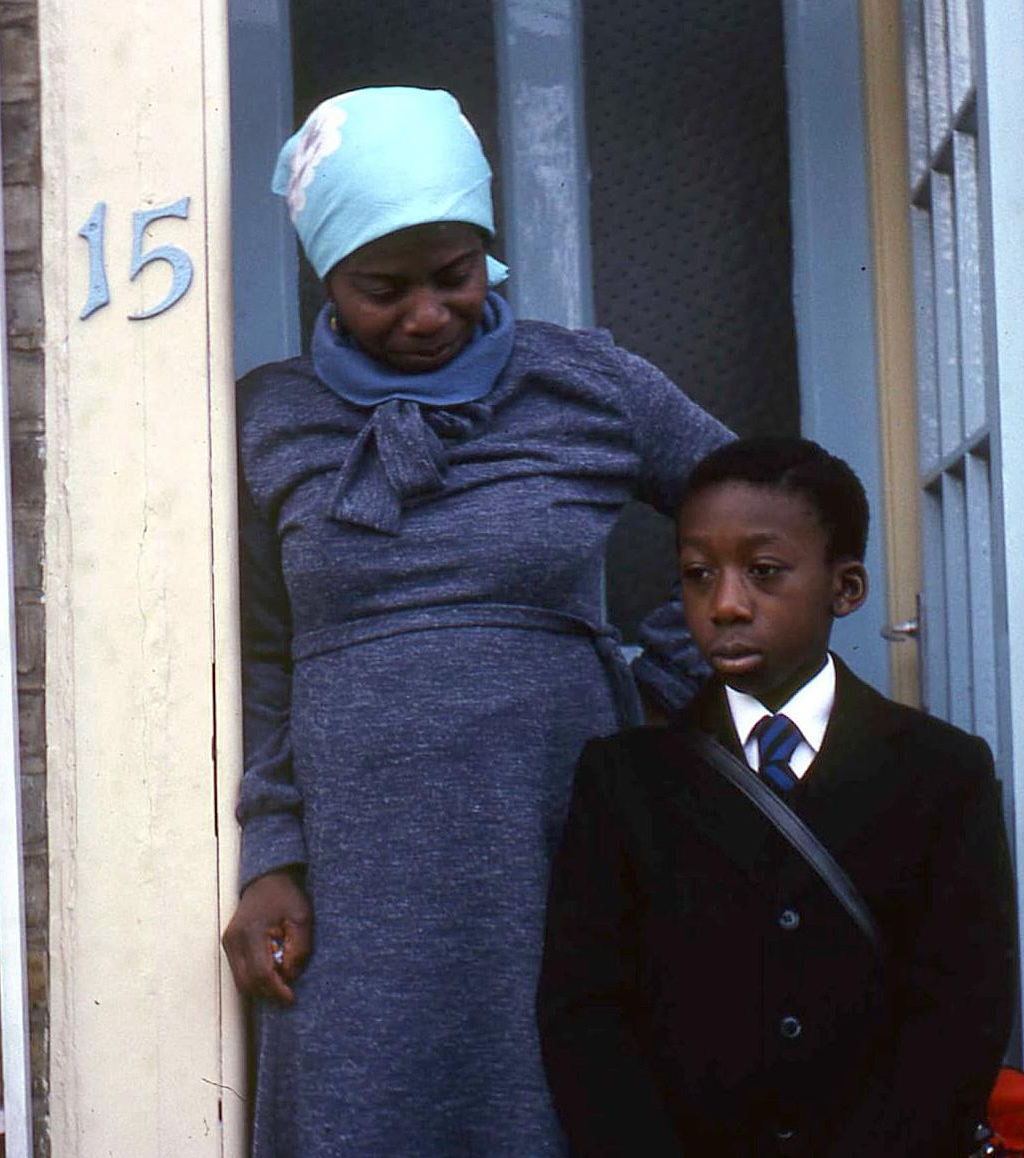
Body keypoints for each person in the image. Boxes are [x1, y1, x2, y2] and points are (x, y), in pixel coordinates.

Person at [220, 86, 731, 1156]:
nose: (425, 314)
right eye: (381, 289)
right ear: (325, 275)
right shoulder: (267, 418)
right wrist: (272, 853)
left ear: (488, 250)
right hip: (358, 871)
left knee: (568, 1093)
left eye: (453, 276)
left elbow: (758, 511)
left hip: (558, 830)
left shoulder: (587, 383)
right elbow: (259, 661)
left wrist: (659, 692)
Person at [537, 437, 1017, 1156]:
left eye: (763, 572)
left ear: (844, 588)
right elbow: (585, 1013)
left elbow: (961, 1009)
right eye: (698, 575)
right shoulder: (623, 780)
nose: (724, 604)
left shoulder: (941, 772)